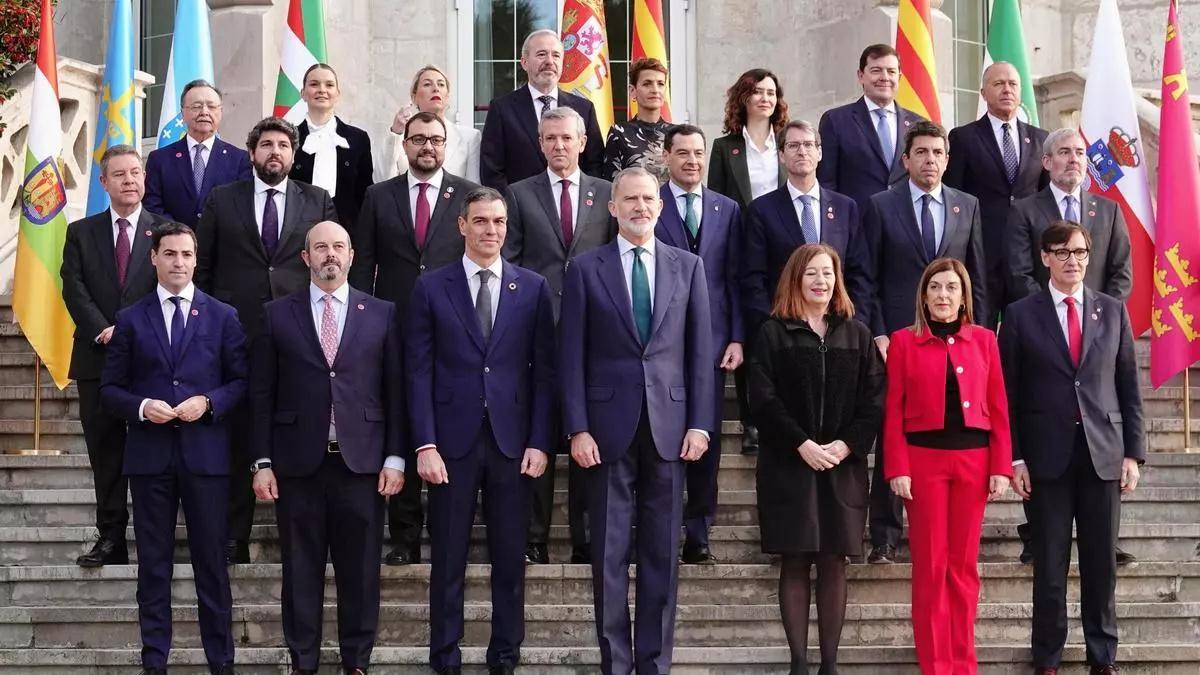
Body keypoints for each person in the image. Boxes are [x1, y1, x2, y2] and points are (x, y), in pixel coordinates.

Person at [559, 167, 714, 675]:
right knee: (607, 553)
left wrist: (700, 423)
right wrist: (577, 427)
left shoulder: (689, 267)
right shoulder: (585, 269)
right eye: (630, 199)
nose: (640, 206)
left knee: (661, 553)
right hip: (605, 431)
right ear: (612, 206)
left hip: (670, 428)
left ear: (661, 205)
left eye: (648, 198)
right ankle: (615, 663)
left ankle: (653, 663)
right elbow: (571, 356)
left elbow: (698, 353)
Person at [407, 188, 556, 675]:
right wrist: (424, 443)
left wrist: (539, 440)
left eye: (499, 222)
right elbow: (418, 371)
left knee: (510, 560)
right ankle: (444, 658)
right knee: (447, 559)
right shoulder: (432, 287)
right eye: (482, 221)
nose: (491, 230)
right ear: (462, 227)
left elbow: (544, 374)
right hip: (450, 444)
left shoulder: (531, 287)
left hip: (513, 444)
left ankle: (505, 657)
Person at [249, 220, 405, 675]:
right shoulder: (277, 314)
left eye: (339, 246)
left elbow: (395, 391)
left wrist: (396, 456)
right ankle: (304, 661)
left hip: (362, 465)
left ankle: (356, 661)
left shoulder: (382, 313)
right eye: (321, 247)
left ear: (352, 255)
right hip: (298, 465)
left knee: (360, 573)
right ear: (306, 257)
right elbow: (262, 394)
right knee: (300, 572)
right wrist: (261, 461)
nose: (330, 255)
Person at [99, 222, 247, 675]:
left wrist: (209, 402)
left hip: (206, 459)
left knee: (211, 568)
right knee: (154, 568)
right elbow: (109, 390)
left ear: (196, 259)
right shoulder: (130, 318)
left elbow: (241, 381)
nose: (178, 262)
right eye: (170, 254)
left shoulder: (223, 315)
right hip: (150, 460)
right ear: (154, 259)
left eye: (186, 254)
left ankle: (221, 661)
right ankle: (154, 661)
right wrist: (143, 406)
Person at [1000, 222, 1145, 675]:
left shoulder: (1112, 310)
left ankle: (1103, 657)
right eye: (1061, 252)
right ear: (1045, 257)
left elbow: (1128, 386)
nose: (1072, 260)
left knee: (1102, 566)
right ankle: (1047, 657)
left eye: (1080, 252)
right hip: (1046, 460)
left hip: (1103, 455)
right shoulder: (1021, 314)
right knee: (1049, 566)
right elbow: (1008, 394)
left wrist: (1132, 453)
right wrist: (1015, 457)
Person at [195, 116, 337, 564]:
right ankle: (235, 535)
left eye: (283, 146)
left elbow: (330, 263)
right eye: (266, 145)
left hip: (301, 337)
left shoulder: (316, 200)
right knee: (239, 433)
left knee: (299, 426)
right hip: (238, 334)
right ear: (252, 153)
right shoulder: (222, 199)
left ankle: (309, 534)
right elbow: (204, 269)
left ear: (294, 156)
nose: (275, 152)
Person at [350, 111, 481, 566]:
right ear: (405, 145)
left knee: (448, 423)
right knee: (402, 424)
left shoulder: (468, 196)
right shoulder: (378, 196)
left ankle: (448, 529)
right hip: (394, 325)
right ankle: (404, 535)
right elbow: (364, 263)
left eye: (436, 139)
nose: (427, 146)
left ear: (448, 145)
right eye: (419, 139)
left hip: (455, 328)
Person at [747, 244, 883, 675]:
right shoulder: (773, 333)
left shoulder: (856, 334)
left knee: (833, 561)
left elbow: (875, 400)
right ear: (796, 280)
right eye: (811, 275)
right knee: (794, 558)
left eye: (827, 274)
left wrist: (847, 445)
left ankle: (829, 665)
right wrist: (800, 443)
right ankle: (799, 665)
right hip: (789, 464)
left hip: (842, 466)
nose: (821, 282)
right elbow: (762, 399)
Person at [1006, 129, 1136, 567]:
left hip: (1098, 341)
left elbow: (1120, 274)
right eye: (1064, 152)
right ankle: (1037, 536)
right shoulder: (1024, 210)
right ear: (1046, 161)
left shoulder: (1110, 210)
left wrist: (1099, 314)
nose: (1073, 159)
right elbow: (1019, 272)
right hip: (1045, 335)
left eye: (1080, 152)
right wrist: (1051, 309)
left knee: (1100, 555)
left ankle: (1107, 540)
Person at [863, 120, 987, 565]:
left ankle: (939, 534)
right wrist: (878, 332)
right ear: (906, 160)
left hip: (955, 342)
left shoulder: (966, 206)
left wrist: (978, 338)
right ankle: (884, 535)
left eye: (938, 152)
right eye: (922, 152)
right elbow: (866, 277)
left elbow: (976, 277)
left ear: (947, 160)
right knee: (893, 428)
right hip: (897, 342)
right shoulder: (880, 206)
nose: (930, 160)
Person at [882, 257, 1011, 675]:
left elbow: (998, 406)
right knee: (932, 567)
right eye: (935, 287)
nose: (942, 295)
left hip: (974, 463)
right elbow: (893, 408)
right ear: (923, 295)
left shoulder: (985, 341)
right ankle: (936, 665)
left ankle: (963, 663)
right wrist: (896, 466)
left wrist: (1001, 466)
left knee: (963, 567)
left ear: (963, 295)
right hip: (923, 465)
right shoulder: (903, 341)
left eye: (951, 287)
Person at [502, 105, 616, 564]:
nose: (559, 146)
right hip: (537, 332)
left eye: (567, 138)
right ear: (540, 142)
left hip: (594, 334)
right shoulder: (517, 194)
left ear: (583, 141)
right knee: (540, 434)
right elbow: (509, 261)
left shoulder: (606, 193)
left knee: (588, 435)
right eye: (550, 139)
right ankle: (535, 537)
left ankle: (586, 538)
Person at [61, 144, 169, 567]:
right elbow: (73, 286)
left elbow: (171, 287)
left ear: (145, 179)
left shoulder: (165, 232)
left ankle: (153, 538)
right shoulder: (81, 232)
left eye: (136, 173)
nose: (129, 180)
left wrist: (134, 332)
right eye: (119, 174)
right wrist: (103, 328)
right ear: (103, 182)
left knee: (151, 453)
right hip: (97, 359)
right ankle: (111, 539)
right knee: (105, 454)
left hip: (152, 360)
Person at [654, 124, 743, 564]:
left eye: (698, 153)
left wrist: (737, 336)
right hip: (661, 339)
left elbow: (736, 278)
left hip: (712, 339)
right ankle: (662, 526)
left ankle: (699, 531)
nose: (692, 161)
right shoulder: (652, 205)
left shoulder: (727, 209)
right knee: (664, 434)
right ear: (666, 157)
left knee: (704, 433)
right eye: (683, 153)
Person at [708, 67, 787, 456]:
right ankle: (751, 420)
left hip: (786, 250)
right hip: (743, 247)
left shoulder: (788, 144)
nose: (764, 98)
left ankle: (785, 415)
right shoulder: (725, 147)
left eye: (771, 92)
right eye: (756, 92)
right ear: (743, 97)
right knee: (752, 332)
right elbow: (718, 201)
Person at [742, 120, 873, 332]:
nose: (802, 151)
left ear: (819, 153)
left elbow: (860, 274)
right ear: (782, 155)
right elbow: (754, 278)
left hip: (838, 329)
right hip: (784, 330)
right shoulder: (761, 210)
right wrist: (769, 328)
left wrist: (855, 325)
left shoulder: (845, 208)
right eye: (793, 146)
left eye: (808, 145)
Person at [944, 62, 1049, 315]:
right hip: (982, 256)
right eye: (998, 83)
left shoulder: (1041, 139)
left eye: (1013, 84)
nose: (1007, 90)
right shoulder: (963, 138)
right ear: (983, 93)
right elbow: (953, 197)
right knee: (981, 333)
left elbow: (1045, 199)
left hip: (1027, 258)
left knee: (1027, 334)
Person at [480, 29, 605, 192]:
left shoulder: (584, 108)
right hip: (520, 211)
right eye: (541, 54)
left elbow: (595, 164)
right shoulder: (502, 109)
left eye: (556, 55)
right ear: (524, 62)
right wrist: (512, 207)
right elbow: (491, 170)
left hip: (572, 208)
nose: (549, 61)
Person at [817, 44, 925, 211]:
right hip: (856, 226)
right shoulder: (836, 121)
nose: (884, 77)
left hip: (906, 227)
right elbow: (826, 183)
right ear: (861, 76)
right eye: (876, 71)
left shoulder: (919, 125)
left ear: (900, 77)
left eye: (891, 71)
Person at [144, 79, 251, 228]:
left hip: (222, 247)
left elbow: (243, 207)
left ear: (220, 112)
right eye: (196, 106)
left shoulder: (240, 159)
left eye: (212, 106)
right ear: (182, 113)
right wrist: (180, 236)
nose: (204, 112)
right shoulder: (159, 159)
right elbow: (152, 206)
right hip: (174, 245)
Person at [290, 63, 374, 235]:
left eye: (329, 85)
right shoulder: (288, 139)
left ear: (337, 94)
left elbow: (365, 193)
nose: (322, 90)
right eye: (314, 84)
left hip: (348, 234)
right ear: (303, 94)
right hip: (297, 234)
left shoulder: (358, 139)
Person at [387, 64, 482, 183]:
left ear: (447, 97)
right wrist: (395, 134)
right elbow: (383, 179)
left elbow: (474, 189)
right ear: (414, 97)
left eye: (441, 84)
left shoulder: (470, 137)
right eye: (427, 84)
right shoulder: (399, 136)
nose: (436, 89)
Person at [602, 57, 673, 181]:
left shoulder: (677, 134)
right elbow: (611, 184)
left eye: (660, 84)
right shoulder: (619, 133)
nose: (655, 90)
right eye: (647, 84)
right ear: (632, 91)